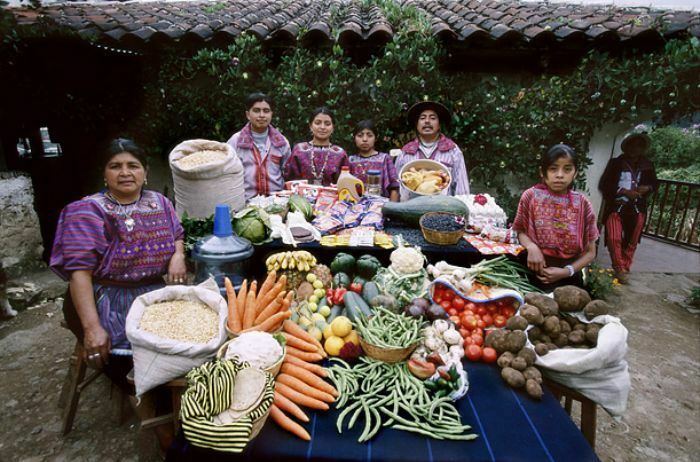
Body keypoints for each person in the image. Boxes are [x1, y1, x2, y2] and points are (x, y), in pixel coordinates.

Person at [50, 138, 186, 448]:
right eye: (115, 166)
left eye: (132, 166)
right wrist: (92, 327)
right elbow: (79, 274)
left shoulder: (160, 203)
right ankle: (161, 430)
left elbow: (178, 235)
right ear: (104, 174)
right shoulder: (86, 211)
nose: (125, 173)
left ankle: (171, 408)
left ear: (145, 172)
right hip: (100, 297)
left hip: (151, 293)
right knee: (131, 362)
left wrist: (177, 255)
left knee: (180, 347)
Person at [513, 144, 599, 291]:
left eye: (567, 169)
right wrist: (532, 247)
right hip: (532, 270)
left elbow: (590, 252)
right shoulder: (531, 197)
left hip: (568, 277)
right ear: (543, 172)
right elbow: (520, 231)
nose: (560, 175)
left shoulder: (583, 204)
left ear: (575, 173)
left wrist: (566, 271)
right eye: (553, 169)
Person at [599, 128, 658, 284]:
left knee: (632, 239)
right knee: (613, 237)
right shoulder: (616, 163)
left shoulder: (648, 165)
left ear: (643, 149)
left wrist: (647, 188)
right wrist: (623, 191)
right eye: (633, 145)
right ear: (627, 147)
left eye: (639, 146)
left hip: (637, 206)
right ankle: (619, 266)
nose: (635, 149)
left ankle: (624, 267)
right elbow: (605, 185)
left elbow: (654, 184)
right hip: (617, 205)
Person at [394, 101, 469, 197]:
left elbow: (462, 190)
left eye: (433, 118)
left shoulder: (453, 151)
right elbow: (395, 186)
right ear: (417, 124)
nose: (427, 121)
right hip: (410, 208)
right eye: (422, 118)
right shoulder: (405, 153)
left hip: (443, 209)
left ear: (439, 124)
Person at [226, 92, 292, 201]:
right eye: (256, 111)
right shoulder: (236, 141)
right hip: (245, 205)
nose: (261, 115)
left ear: (271, 114)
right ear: (248, 114)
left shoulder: (281, 142)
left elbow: (288, 175)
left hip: (276, 204)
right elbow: (227, 175)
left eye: (266, 111)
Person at [285, 107, 349, 186]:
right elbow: (290, 179)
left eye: (327, 124)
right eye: (318, 123)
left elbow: (346, 183)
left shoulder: (339, 153)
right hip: (301, 197)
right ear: (310, 126)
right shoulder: (299, 150)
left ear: (333, 128)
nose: (322, 127)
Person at [348, 120, 399, 201]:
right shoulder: (350, 160)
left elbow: (394, 187)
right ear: (354, 138)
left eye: (369, 135)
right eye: (360, 135)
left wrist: (392, 210)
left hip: (380, 207)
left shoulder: (385, 159)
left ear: (376, 138)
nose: (364, 139)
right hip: (354, 208)